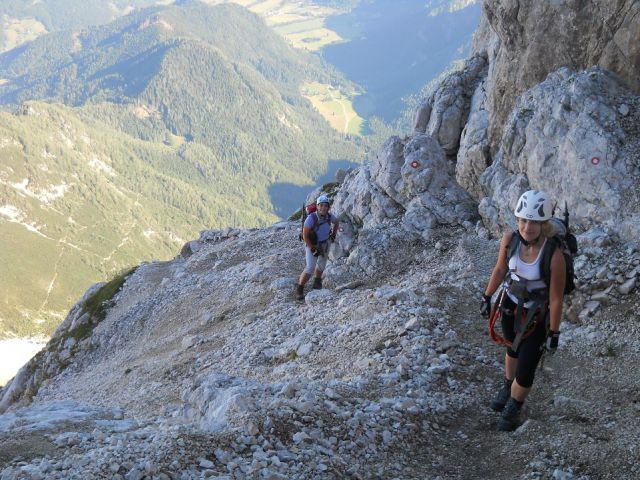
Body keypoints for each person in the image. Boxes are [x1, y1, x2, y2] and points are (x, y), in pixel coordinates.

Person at [480, 190, 566, 431]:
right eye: (523, 220)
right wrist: (487, 296)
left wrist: (554, 333)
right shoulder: (510, 239)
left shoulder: (554, 254)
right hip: (509, 304)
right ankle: (508, 386)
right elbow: (499, 270)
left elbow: (556, 298)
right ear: (517, 220)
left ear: (543, 225)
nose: (527, 227)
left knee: (526, 369)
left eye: (534, 222)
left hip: (537, 315)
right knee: (512, 347)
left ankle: (515, 405)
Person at [295, 195, 339, 300]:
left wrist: (333, 234)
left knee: (321, 265)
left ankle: (317, 282)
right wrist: (312, 248)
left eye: (325, 206)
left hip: (325, 243)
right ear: (317, 207)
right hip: (313, 244)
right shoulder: (311, 219)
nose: (323, 208)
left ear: (328, 207)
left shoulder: (329, 216)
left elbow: (336, 222)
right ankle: (300, 287)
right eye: (321, 205)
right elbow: (305, 236)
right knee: (310, 267)